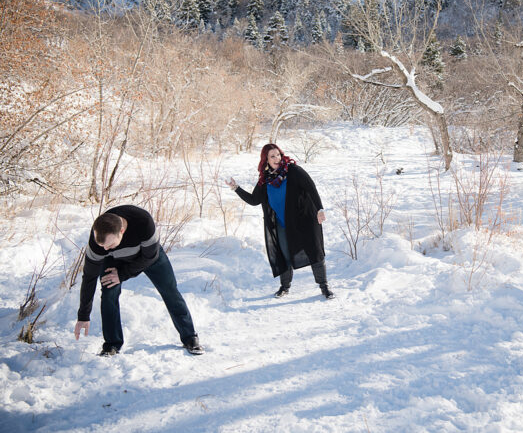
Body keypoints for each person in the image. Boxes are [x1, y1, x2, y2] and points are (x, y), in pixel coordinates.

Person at [73, 205, 203, 356]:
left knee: (170, 290)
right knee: (109, 294)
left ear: (121, 230)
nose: (105, 249)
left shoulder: (143, 222)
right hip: (114, 261)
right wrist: (83, 315)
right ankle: (111, 345)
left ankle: (190, 337)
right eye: (102, 246)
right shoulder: (99, 242)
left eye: (110, 245)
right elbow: (89, 277)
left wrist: (121, 275)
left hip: (148, 256)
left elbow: (150, 257)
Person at [225, 143, 334, 300]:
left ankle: (324, 287)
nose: (276, 158)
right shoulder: (265, 179)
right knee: (284, 254)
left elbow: (311, 187)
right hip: (282, 224)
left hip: (304, 220)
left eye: (278, 155)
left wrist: (320, 209)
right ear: (266, 160)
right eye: (272, 156)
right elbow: (254, 200)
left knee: (314, 251)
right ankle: (285, 287)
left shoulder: (293, 171)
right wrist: (236, 188)